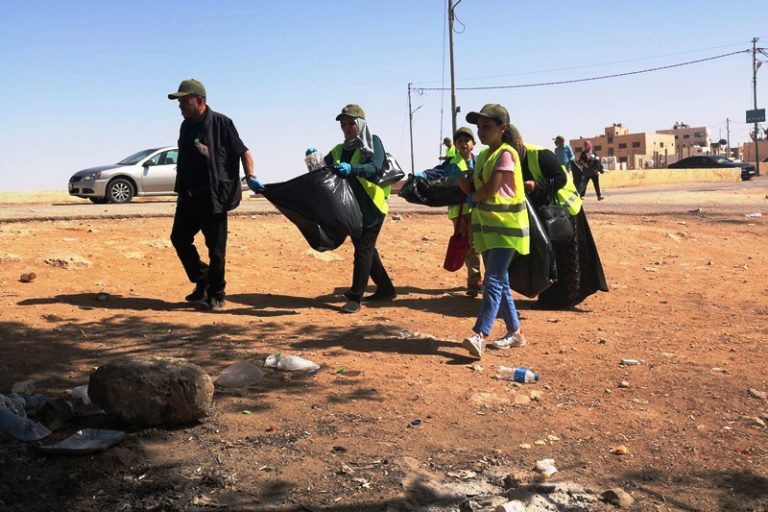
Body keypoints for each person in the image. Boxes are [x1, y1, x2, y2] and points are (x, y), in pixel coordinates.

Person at [167, 78, 262, 311]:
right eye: (179, 101)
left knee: (216, 251)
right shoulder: (186, 126)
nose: (180, 105)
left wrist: (250, 176)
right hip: (188, 197)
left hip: (213, 198)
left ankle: (217, 292)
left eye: (184, 100)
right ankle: (203, 279)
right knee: (179, 238)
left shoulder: (222, 123)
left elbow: (244, 152)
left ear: (199, 100)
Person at [458, 104, 529, 358]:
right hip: (488, 229)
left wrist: (473, 196)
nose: (481, 132)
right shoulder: (485, 156)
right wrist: (459, 177)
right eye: (479, 127)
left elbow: (489, 190)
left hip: (506, 229)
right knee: (501, 280)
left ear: (503, 128)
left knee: (494, 279)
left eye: (486, 127)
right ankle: (515, 332)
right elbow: (474, 188)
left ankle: (481, 334)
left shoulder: (506, 154)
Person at [511, 127, 609, 309]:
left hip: (563, 212)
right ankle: (551, 298)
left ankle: (563, 299)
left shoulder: (540, 154)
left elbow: (560, 179)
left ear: (518, 143)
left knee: (565, 257)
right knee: (548, 255)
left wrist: (536, 185)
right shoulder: (511, 160)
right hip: (544, 213)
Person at [323, 104, 396, 314]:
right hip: (352, 208)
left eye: (350, 123)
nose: (346, 128)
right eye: (343, 124)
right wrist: (313, 159)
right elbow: (323, 169)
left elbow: (375, 167)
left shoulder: (373, 142)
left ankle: (355, 297)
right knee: (366, 248)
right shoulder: (339, 150)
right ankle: (386, 289)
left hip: (372, 206)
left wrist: (352, 169)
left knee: (363, 248)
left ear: (361, 124)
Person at [444, 127, 482, 297]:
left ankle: (478, 279)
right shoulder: (452, 163)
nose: (463, 143)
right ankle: (474, 280)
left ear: (474, 143)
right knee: (468, 245)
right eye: (459, 141)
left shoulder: (480, 161)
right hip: (459, 211)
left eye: (466, 140)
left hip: (477, 209)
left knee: (477, 244)